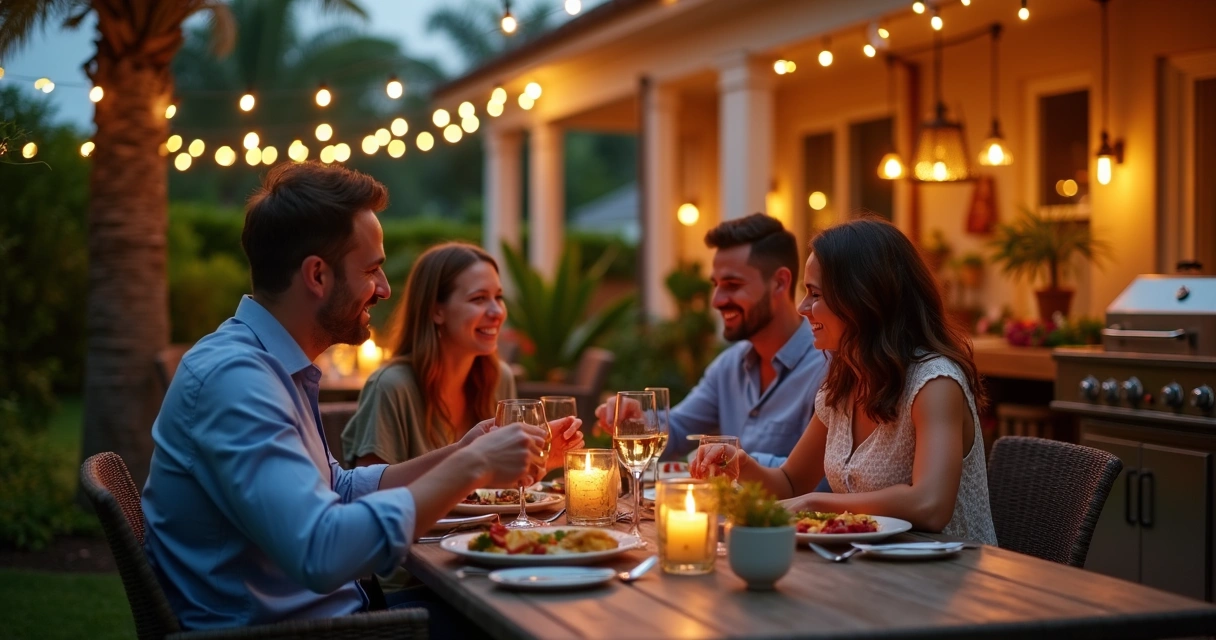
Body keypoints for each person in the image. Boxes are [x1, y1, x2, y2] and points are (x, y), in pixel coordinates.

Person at [141, 162, 548, 632]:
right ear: (317, 275)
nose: (385, 289)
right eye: (372, 269)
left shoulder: (273, 366)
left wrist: (463, 451)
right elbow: (322, 550)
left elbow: (339, 487)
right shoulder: (235, 381)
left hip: (337, 618)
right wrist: (471, 468)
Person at [692, 216, 997, 543]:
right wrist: (741, 464)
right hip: (869, 570)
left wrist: (817, 504)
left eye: (815, 294)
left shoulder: (934, 383)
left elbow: (931, 505)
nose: (802, 307)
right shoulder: (844, 384)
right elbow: (791, 483)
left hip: (952, 579)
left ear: (862, 298)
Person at [597, 213, 828, 467]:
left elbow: (826, 479)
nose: (716, 301)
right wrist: (639, 419)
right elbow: (676, 429)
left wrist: (731, 461)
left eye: (732, 284)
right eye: (716, 285)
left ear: (779, 283)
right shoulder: (729, 365)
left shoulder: (827, 366)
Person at [343, 241, 583, 469]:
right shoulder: (390, 387)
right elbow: (369, 495)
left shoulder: (500, 378)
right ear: (437, 311)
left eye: (498, 297)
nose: (497, 311)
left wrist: (539, 462)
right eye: (478, 299)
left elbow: (498, 493)